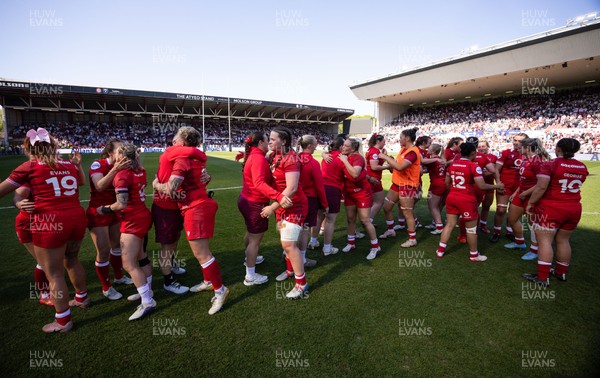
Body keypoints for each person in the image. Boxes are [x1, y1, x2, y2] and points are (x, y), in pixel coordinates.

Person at [0, 128, 88, 333]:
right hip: (75, 216)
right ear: (53, 146)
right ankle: (82, 298)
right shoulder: (68, 164)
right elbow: (81, 183)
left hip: (49, 220)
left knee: (54, 274)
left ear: (28, 148)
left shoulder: (29, 166)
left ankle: (63, 321)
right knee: (72, 260)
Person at [153, 127, 229, 313]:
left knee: (202, 253)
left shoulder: (181, 160)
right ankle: (208, 281)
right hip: (199, 205)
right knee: (201, 251)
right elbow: (199, 180)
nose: (172, 143)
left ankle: (220, 290)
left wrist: (155, 184)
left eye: (176, 139)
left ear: (183, 142)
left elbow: (170, 189)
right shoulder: (196, 158)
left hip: (196, 208)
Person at [98, 143, 154, 320]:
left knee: (128, 263)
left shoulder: (122, 175)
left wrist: (104, 209)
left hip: (132, 221)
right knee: (141, 256)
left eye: (116, 154)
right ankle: (147, 291)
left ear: (122, 157)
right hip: (143, 215)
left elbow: (120, 204)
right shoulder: (141, 170)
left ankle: (147, 301)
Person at [523, 138, 588, 286]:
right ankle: (561, 273)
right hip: (573, 207)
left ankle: (542, 277)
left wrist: (531, 204)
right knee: (563, 240)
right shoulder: (582, 166)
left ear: (558, 148)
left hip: (552, 207)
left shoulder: (550, 164)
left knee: (545, 240)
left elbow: (541, 187)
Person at [152, 142, 207, 295]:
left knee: (173, 241)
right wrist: (156, 185)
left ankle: (172, 266)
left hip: (176, 206)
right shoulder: (172, 153)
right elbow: (170, 190)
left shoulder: (182, 156)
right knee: (167, 246)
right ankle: (168, 281)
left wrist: (206, 176)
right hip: (165, 206)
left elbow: (201, 176)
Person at [261, 126, 309, 299]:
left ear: (284, 141)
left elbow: (293, 187)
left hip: (295, 205)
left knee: (288, 244)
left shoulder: (291, 159)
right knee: (286, 243)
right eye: (270, 138)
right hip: (281, 205)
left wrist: (272, 207)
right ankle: (290, 270)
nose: (270, 141)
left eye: (273, 139)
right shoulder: (273, 156)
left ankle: (302, 284)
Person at [435, 142, 504, 262]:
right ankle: (474, 255)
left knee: (450, 224)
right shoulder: (473, 166)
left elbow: (447, 183)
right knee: (471, 229)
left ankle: (440, 251)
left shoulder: (453, 165)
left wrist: (453, 191)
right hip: (466, 199)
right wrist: (497, 186)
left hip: (452, 196)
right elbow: (482, 186)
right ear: (473, 153)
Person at [87, 139, 133, 302]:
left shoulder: (124, 164)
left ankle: (119, 277)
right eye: (120, 149)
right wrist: (115, 169)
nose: (123, 152)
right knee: (104, 251)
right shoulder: (97, 165)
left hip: (113, 209)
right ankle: (106, 288)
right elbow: (99, 185)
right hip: (98, 212)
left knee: (117, 246)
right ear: (110, 153)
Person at [237, 132, 286, 286]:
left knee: (251, 234)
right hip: (254, 203)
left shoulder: (254, 155)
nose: (269, 143)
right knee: (255, 241)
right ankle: (250, 275)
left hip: (246, 200)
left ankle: (249, 258)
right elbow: (259, 183)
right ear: (260, 143)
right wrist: (278, 196)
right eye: (267, 140)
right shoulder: (257, 158)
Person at [504, 138, 550, 260]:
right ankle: (520, 242)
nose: (518, 148)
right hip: (522, 194)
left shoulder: (539, 162)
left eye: (520, 146)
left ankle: (534, 250)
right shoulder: (526, 160)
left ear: (528, 148)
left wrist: (526, 193)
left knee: (532, 224)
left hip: (533, 196)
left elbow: (541, 183)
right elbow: (523, 179)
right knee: (512, 218)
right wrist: (517, 191)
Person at [378, 127, 422, 247]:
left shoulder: (413, 152)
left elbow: (400, 167)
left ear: (407, 138)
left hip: (407, 185)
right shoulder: (404, 149)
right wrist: (391, 160)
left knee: (407, 213)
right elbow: (397, 166)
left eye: (401, 137)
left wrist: (385, 157)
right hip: (397, 183)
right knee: (387, 207)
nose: (399, 139)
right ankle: (391, 230)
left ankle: (412, 239)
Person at [338, 138, 380, 260]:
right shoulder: (344, 155)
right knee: (350, 219)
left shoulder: (358, 158)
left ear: (353, 148)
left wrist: (345, 161)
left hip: (361, 193)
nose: (343, 147)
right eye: (343, 145)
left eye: (345, 146)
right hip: (349, 193)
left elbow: (355, 174)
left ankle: (375, 246)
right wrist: (325, 155)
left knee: (365, 221)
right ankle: (351, 243)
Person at [14, 184, 53, 306]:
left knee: (50, 261)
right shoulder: (31, 177)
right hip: (28, 224)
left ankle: (51, 291)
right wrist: (19, 203)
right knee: (43, 262)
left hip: (46, 222)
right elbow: (18, 196)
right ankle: (44, 295)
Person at [490, 133, 528, 243]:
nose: (516, 142)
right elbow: (497, 169)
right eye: (515, 140)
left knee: (513, 212)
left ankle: (509, 231)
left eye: (519, 141)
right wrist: (498, 183)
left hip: (519, 188)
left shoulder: (528, 155)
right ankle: (496, 232)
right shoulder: (506, 153)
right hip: (505, 185)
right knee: (501, 210)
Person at [297, 135, 328, 266]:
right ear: (309, 146)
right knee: (304, 229)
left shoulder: (294, 158)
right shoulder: (313, 163)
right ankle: (302, 259)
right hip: (308, 199)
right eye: (315, 144)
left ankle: (288, 253)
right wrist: (325, 204)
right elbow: (319, 186)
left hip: (294, 197)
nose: (317, 146)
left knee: (294, 227)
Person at [319, 137, 346, 256]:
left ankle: (313, 241)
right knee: (330, 220)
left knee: (318, 217)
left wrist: (323, 154)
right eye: (344, 145)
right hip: (333, 190)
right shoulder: (341, 159)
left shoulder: (326, 156)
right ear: (340, 147)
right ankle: (327, 248)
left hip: (321, 189)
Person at [365, 133, 390, 226]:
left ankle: (367, 220)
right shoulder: (374, 152)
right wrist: (387, 166)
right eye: (383, 141)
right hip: (374, 179)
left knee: (372, 202)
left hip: (371, 178)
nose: (384, 143)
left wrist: (383, 157)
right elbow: (374, 167)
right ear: (378, 141)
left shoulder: (372, 150)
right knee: (379, 201)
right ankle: (368, 222)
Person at [424, 143, 446, 235]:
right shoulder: (440, 159)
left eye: (429, 148)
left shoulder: (433, 160)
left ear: (433, 151)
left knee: (433, 206)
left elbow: (422, 162)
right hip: (441, 183)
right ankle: (435, 223)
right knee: (434, 205)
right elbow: (428, 170)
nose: (427, 149)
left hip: (436, 184)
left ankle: (439, 226)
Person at [477, 140, 499, 234]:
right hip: (477, 186)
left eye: (483, 146)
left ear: (488, 146)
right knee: (474, 206)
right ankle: (472, 225)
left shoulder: (493, 157)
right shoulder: (474, 156)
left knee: (486, 206)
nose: (481, 148)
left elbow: (495, 171)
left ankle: (483, 225)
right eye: (479, 146)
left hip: (489, 185)